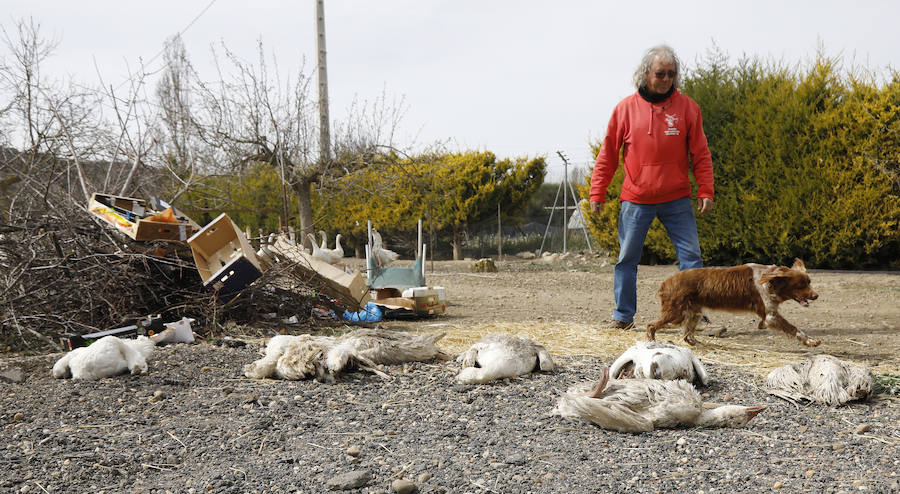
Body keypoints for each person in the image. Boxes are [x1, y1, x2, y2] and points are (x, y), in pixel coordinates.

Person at [590, 44, 714, 330]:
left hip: (677, 199)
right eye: (661, 73)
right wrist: (597, 192)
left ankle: (693, 316)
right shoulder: (624, 110)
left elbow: (701, 153)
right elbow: (607, 154)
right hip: (636, 199)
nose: (666, 79)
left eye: (671, 74)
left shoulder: (688, 108)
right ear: (646, 73)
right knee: (626, 259)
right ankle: (623, 317)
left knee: (692, 258)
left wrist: (705, 189)